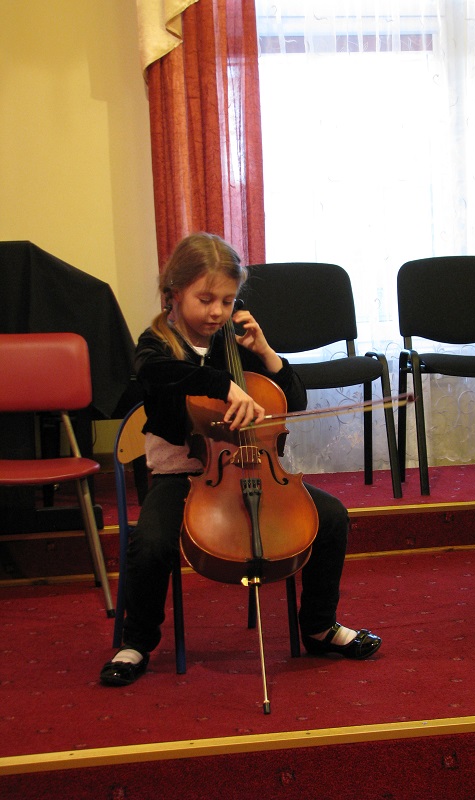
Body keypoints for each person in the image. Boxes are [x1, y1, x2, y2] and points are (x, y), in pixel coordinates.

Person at [100, 232, 381, 687]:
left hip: (255, 468)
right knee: (150, 543)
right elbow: (154, 373)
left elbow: (293, 400)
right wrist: (222, 385)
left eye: (227, 301)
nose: (217, 312)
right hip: (181, 476)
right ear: (175, 293)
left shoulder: (233, 340)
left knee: (330, 516)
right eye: (205, 299)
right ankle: (137, 641)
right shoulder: (158, 343)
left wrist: (266, 353)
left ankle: (319, 626)